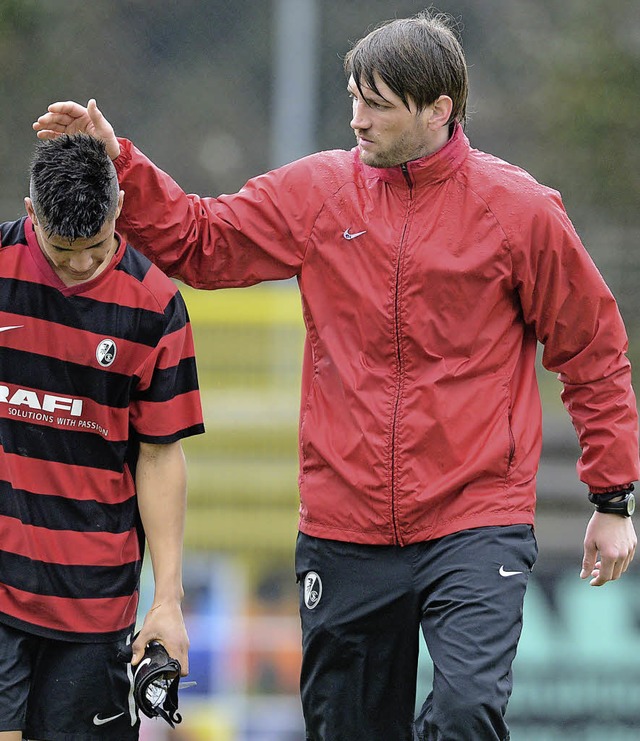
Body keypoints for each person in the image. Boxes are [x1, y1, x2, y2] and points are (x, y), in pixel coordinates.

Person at [33, 10, 639, 741]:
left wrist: (612, 497)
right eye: (353, 97)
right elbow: (200, 240)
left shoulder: (521, 211)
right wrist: (121, 162)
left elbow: (594, 350)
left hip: (476, 521)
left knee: (466, 712)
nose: (356, 118)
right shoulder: (319, 192)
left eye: (377, 105)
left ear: (439, 109)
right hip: (344, 526)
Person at [0, 133, 204, 740]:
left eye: (94, 247)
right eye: (63, 250)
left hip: (94, 598)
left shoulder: (157, 305)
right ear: (32, 213)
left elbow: (161, 457)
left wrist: (166, 598)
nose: (81, 264)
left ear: (118, 210)